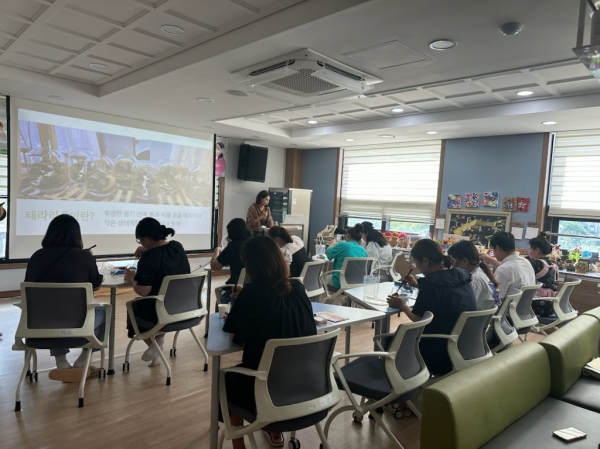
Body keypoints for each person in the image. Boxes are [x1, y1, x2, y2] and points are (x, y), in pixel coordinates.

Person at [222, 237, 316, 449]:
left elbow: (236, 341)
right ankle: (275, 430)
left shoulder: (251, 293)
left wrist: (237, 312)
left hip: (264, 385)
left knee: (229, 379)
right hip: (306, 381)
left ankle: (238, 444)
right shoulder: (298, 288)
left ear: (251, 266)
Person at [24, 214, 104, 371]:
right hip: (77, 324)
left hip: (38, 324)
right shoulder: (84, 257)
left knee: (53, 307)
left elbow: (28, 286)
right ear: (76, 235)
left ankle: (61, 360)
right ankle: (84, 359)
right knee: (104, 311)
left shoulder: (36, 256)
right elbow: (95, 285)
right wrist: (89, 259)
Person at [387, 239, 476, 375]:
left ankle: (398, 381)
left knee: (389, 340)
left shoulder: (430, 283)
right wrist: (418, 285)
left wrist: (402, 305)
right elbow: (446, 293)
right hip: (465, 345)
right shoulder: (461, 274)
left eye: (415, 262)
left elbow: (419, 319)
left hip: (439, 351)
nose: (416, 266)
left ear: (425, 261)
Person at [124, 217, 190, 367]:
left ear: (146, 238)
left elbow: (143, 291)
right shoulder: (177, 246)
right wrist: (148, 249)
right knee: (157, 302)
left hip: (161, 310)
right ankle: (157, 342)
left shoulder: (149, 258)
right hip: (184, 306)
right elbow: (163, 253)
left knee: (134, 306)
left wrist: (132, 278)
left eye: (140, 240)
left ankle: (156, 343)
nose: (140, 243)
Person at [480, 231, 536, 300]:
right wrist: (489, 259)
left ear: (498, 248)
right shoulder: (525, 262)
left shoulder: (503, 270)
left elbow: (495, 298)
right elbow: (507, 268)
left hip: (507, 306)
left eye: (493, 249)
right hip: (523, 305)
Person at [448, 240, 497, 310]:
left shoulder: (475, 280)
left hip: (476, 316)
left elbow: (466, 308)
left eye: (454, 262)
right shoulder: (478, 272)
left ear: (465, 261)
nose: (452, 266)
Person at [325, 223, 368, 290]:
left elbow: (329, 254)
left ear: (348, 235)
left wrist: (332, 244)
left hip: (339, 283)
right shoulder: (364, 251)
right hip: (357, 284)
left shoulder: (343, 245)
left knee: (320, 280)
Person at [526, 232, 559, 317]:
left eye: (530, 249)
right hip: (552, 305)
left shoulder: (536, 264)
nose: (529, 252)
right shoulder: (553, 265)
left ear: (537, 250)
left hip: (538, 304)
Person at [210, 218, 252, 285]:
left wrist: (217, 250)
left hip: (236, 287)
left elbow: (214, 267)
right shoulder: (255, 244)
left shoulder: (232, 247)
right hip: (255, 287)